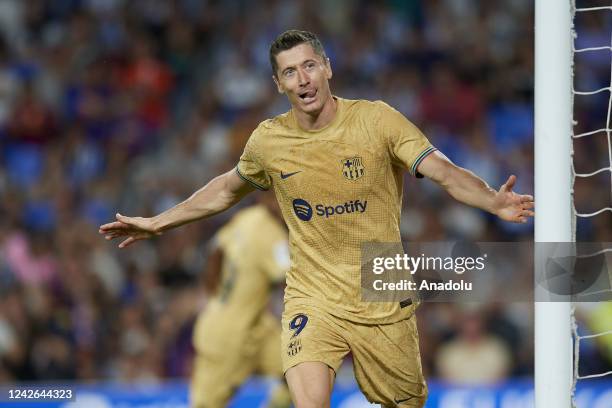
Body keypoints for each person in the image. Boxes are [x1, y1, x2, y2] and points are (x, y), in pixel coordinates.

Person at [100, 30, 534, 408]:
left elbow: (441, 169)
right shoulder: (269, 141)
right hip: (312, 295)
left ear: (327, 68)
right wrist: (159, 222)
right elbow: (227, 188)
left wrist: (491, 202)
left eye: (309, 66)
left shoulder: (376, 120)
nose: (303, 78)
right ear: (278, 83)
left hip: (379, 287)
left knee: (407, 401)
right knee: (308, 401)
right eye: (290, 72)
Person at [191, 195, 291, 408]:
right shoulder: (272, 235)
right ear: (269, 200)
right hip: (226, 335)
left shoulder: (245, 218)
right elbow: (290, 280)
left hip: (256, 325)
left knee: (301, 367)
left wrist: (213, 294)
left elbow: (215, 250)